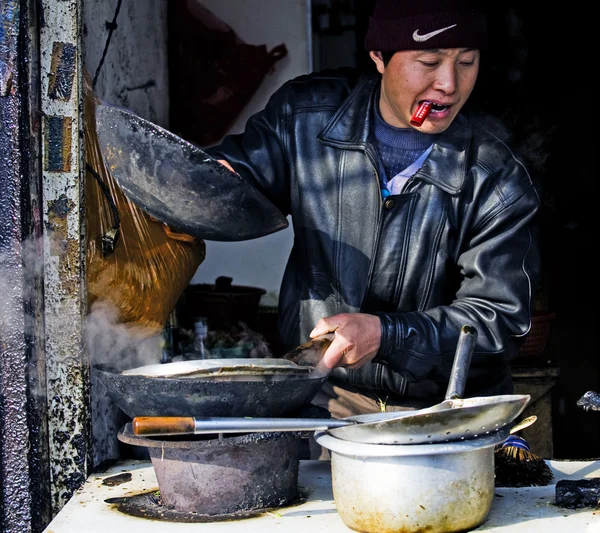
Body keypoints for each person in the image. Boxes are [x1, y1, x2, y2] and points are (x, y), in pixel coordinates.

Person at [207, 0, 540, 421]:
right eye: (429, 61)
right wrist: (206, 185)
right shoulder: (305, 118)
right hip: (322, 400)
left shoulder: (496, 177)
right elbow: (233, 182)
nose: (449, 84)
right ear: (379, 57)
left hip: (446, 410)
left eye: (467, 62)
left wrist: (388, 336)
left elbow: (498, 320)